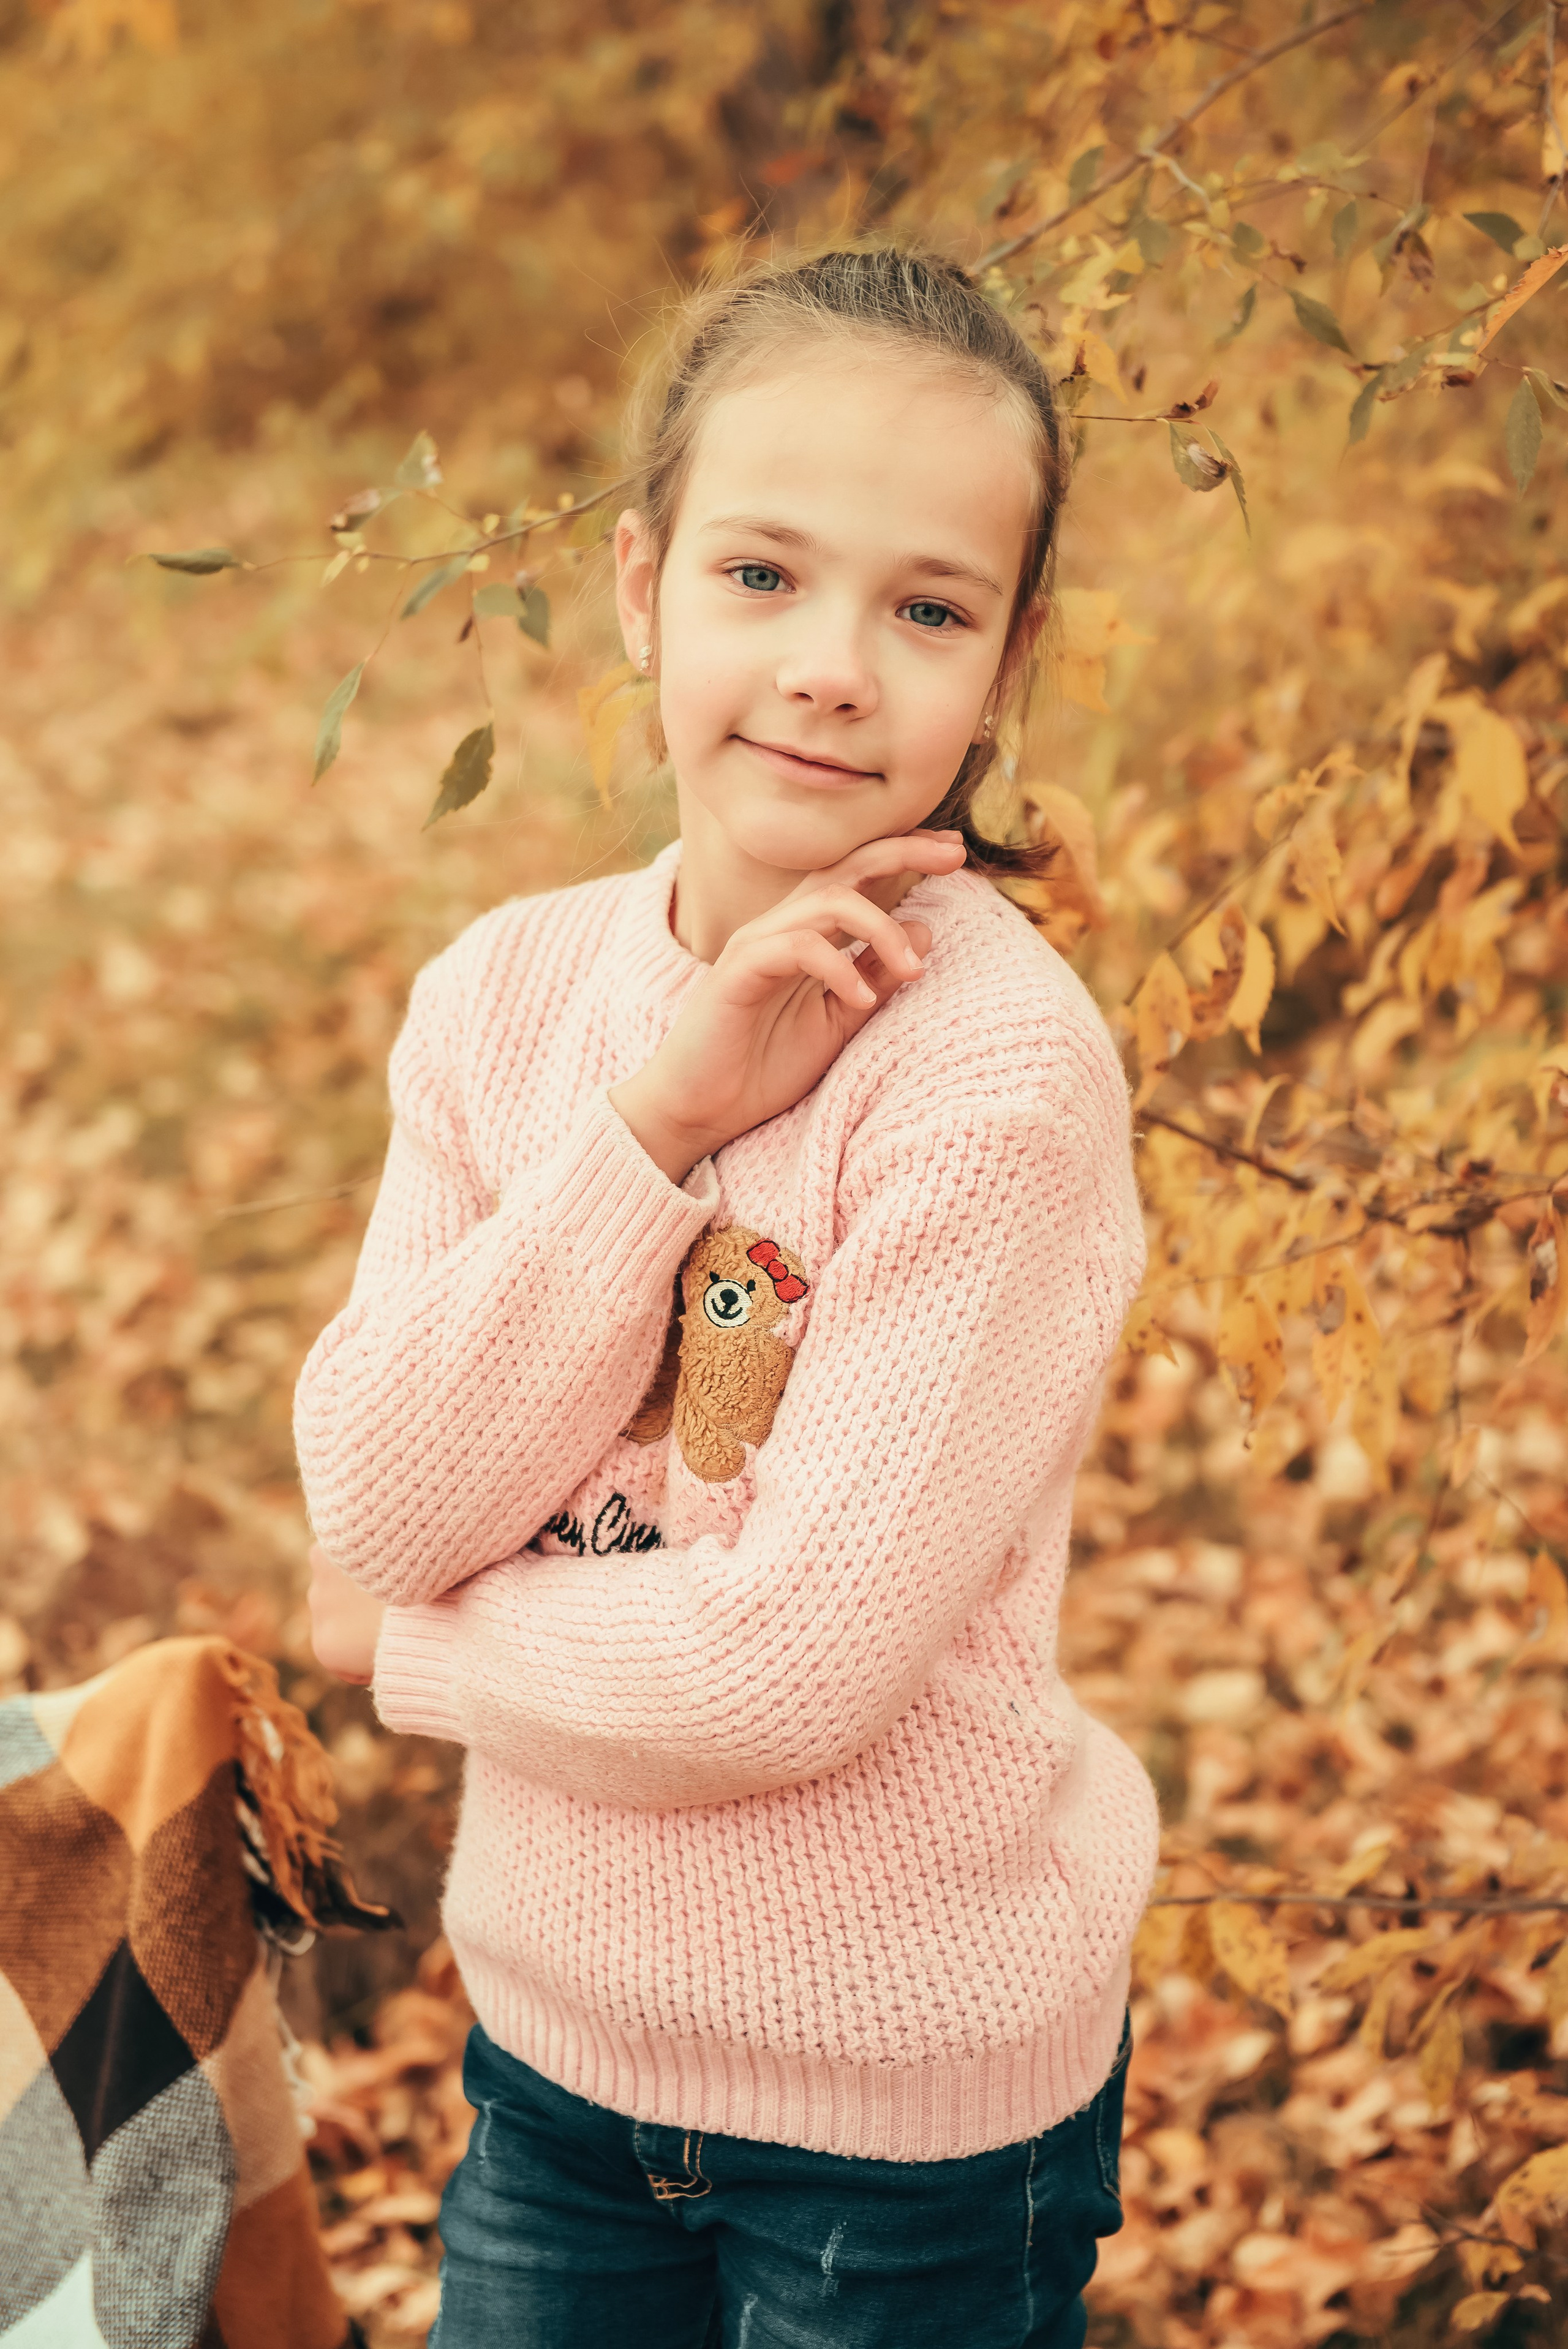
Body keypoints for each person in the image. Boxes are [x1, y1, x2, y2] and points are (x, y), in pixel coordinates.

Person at [296, 244, 1158, 2348]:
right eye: (763, 576)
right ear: (638, 586)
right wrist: (659, 1117)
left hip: (903, 2141)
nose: (837, 666)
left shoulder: (994, 1074)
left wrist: (400, 1649)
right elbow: (383, 1486)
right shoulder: (505, 997)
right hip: (551, 2075)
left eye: (928, 608)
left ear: (1004, 659)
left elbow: (782, 1664)